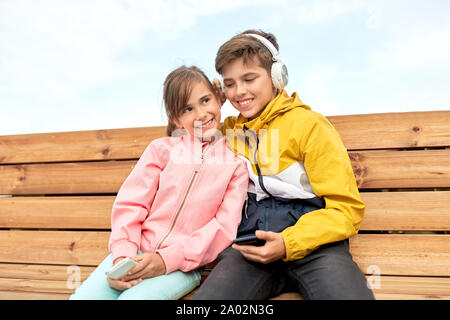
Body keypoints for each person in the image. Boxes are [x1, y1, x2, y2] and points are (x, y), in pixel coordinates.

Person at [193, 30, 375, 300]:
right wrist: (211, 106)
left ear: (277, 77)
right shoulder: (229, 131)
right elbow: (185, 149)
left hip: (316, 247)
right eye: (230, 84)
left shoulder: (309, 126)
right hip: (250, 248)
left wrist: (290, 243)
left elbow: (346, 209)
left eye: (249, 79)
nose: (239, 91)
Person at [70, 65, 249, 300]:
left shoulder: (236, 165)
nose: (201, 114)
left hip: (181, 266)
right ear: (176, 118)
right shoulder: (161, 150)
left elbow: (223, 228)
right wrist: (122, 256)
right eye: (188, 108)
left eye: (206, 101)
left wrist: (166, 260)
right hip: (134, 254)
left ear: (218, 99)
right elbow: (131, 204)